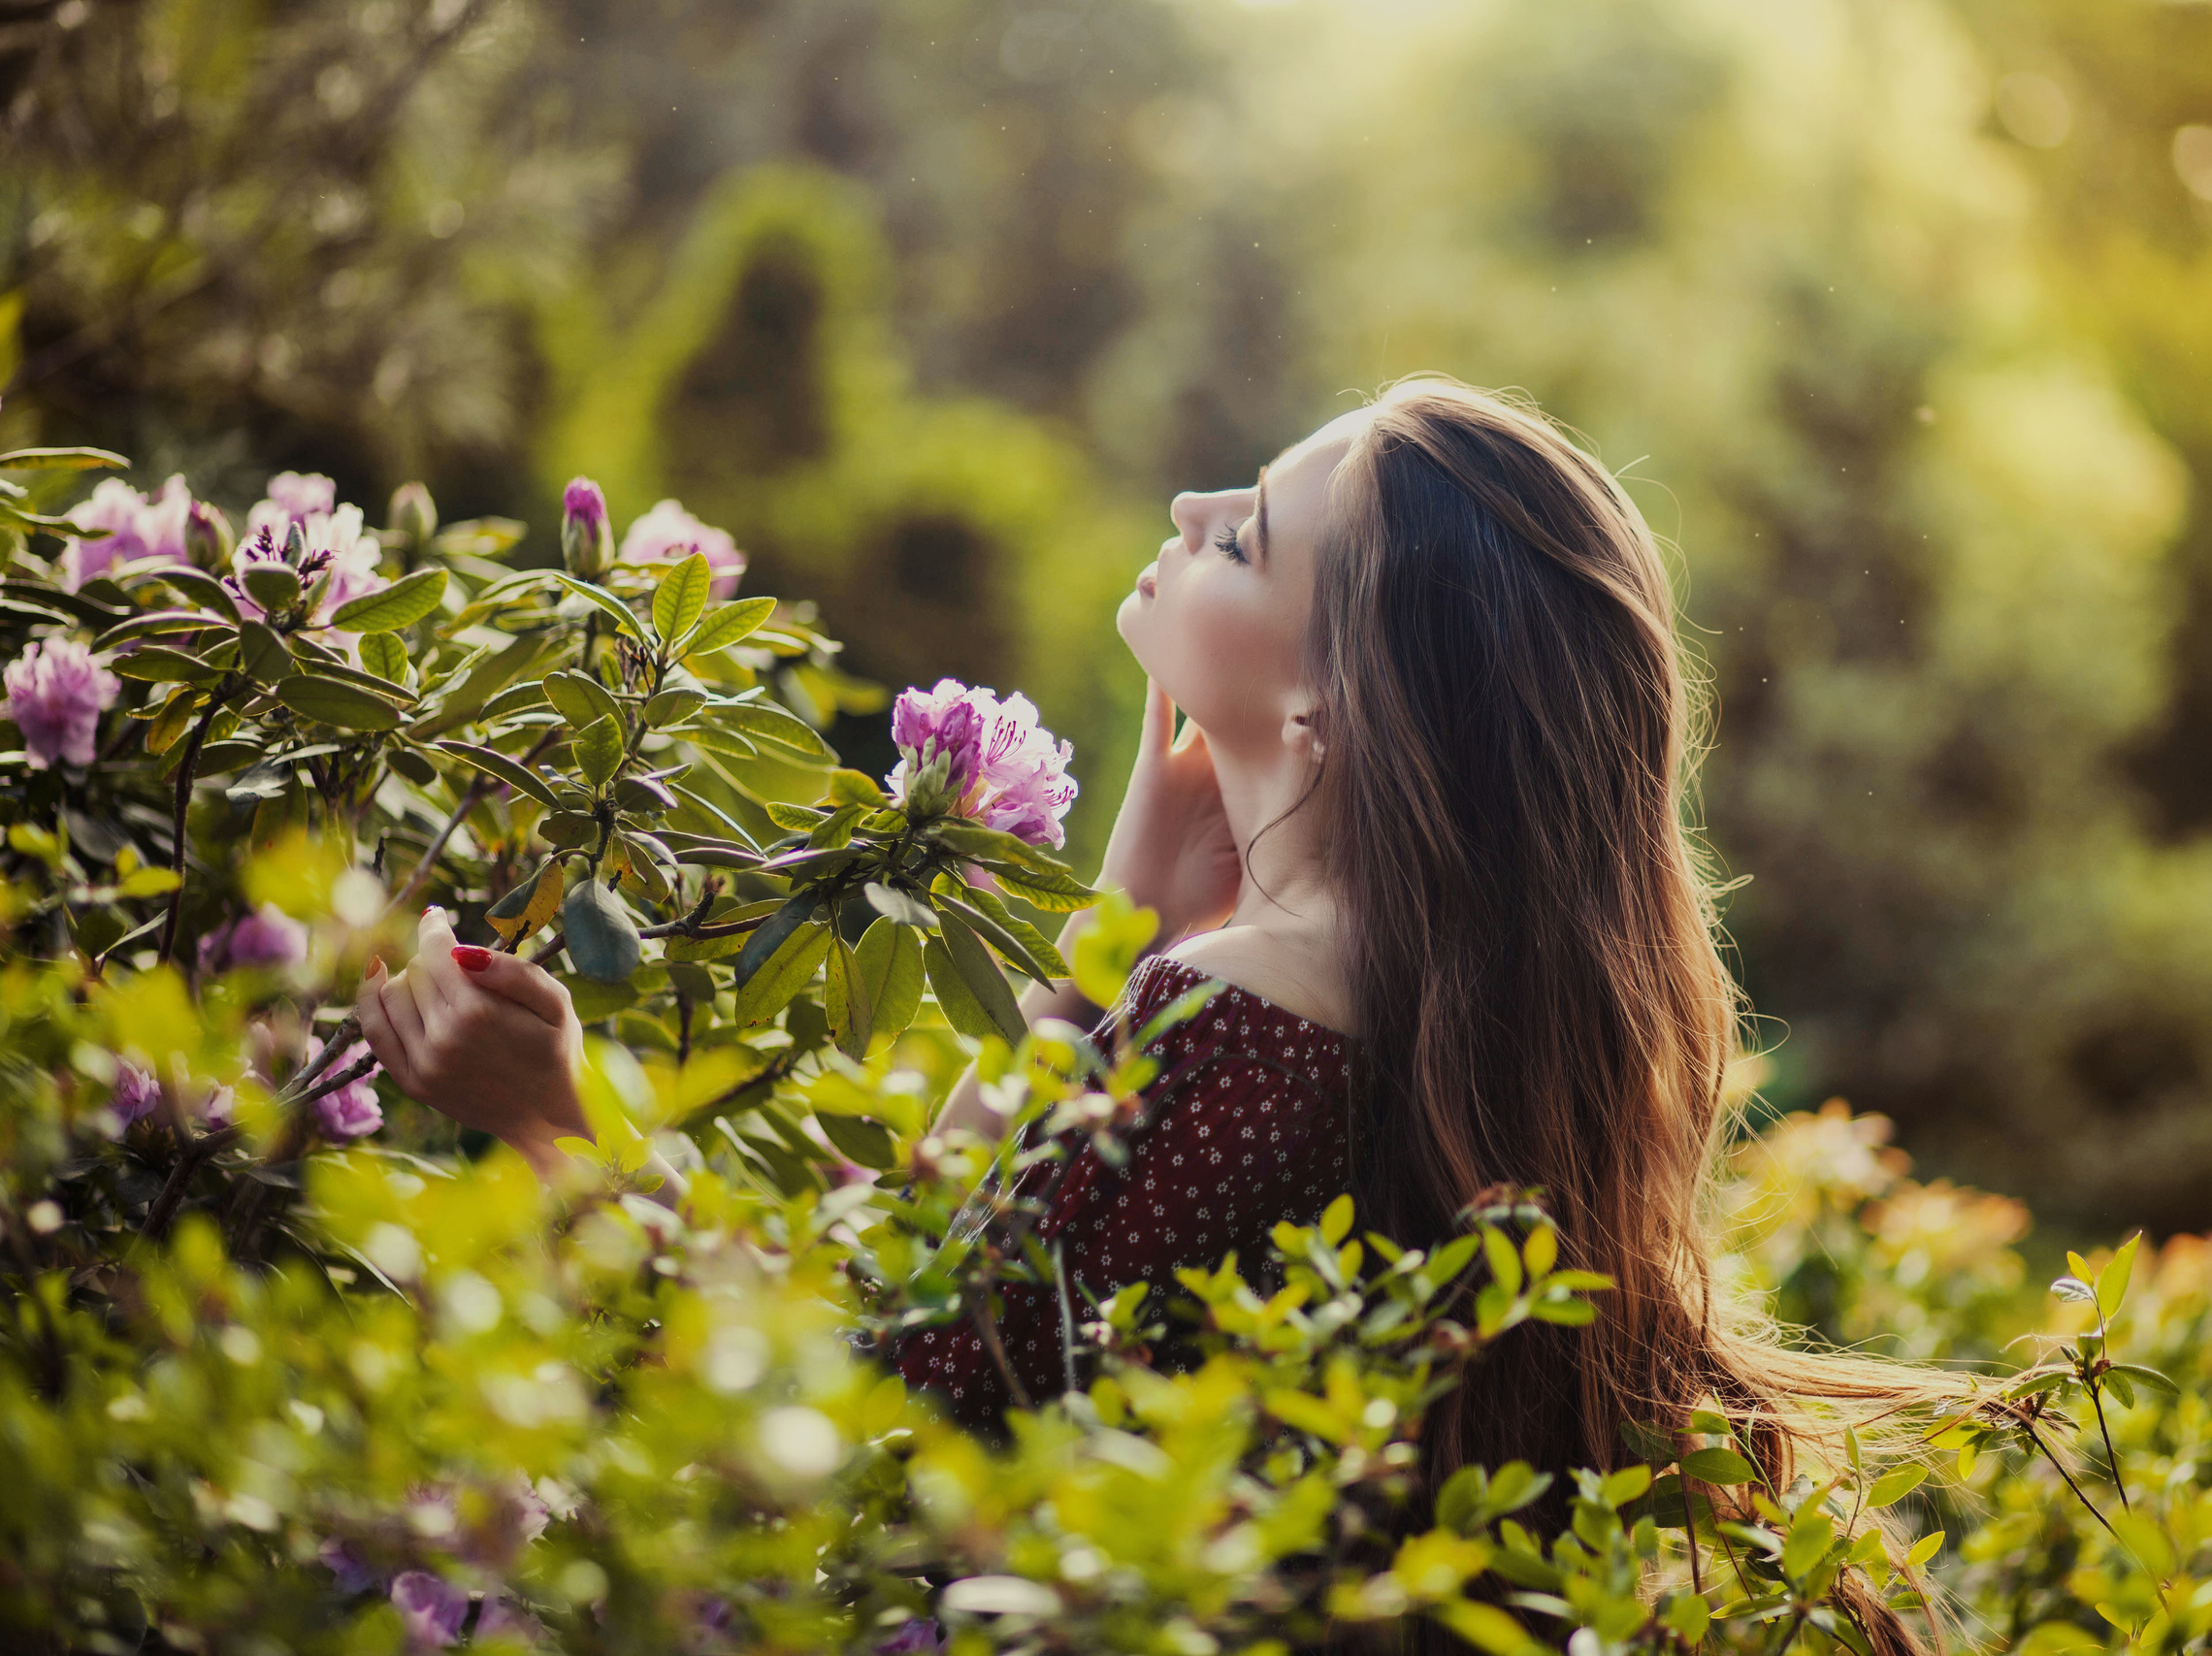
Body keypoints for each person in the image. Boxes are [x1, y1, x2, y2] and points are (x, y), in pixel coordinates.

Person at [361, 376, 1953, 1651]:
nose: (1191, 509)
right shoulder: (1381, 989)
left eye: (1248, 534)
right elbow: (945, 1260)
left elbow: (855, 1435)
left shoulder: (1254, 1008)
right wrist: (1123, 916)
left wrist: (554, 1125)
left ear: (1330, 701)